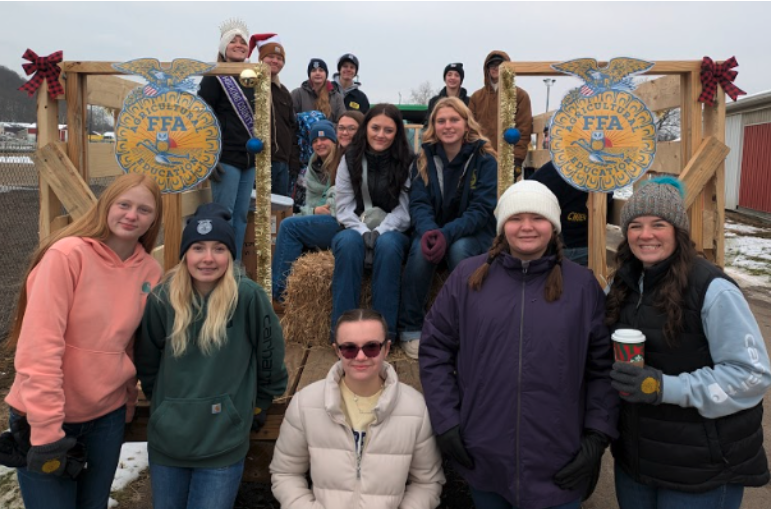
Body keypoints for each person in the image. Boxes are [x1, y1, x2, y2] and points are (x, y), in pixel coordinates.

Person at [420, 180, 619, 509]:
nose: (526, 227)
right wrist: (447, 421)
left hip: (558, 462)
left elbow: (602, 368)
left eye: (538, 218)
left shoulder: (582, 286)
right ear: (501, 227)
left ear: (553, 226)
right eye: (515, 218)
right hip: (484, 456)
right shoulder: (468, 278)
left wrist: (597, 436)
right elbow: (434, 350)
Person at [605, 177, 771, 509]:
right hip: (637, 460)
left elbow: (751, 376)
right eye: (635, 225)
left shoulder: (712, 289)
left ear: (677, 230)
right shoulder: (623, 285)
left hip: (702, 468)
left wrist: (663, 387)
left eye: (658, 224)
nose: (645, 234)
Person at [3, 173, 163, 509]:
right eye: (124, 204)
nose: (132, 215)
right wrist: (47, 432)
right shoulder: (67, 255)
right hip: (48, 416)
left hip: (106, 416)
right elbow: (39, 348)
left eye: (144, 210)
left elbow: (130, 342)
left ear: (153, 219)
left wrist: (128, 401)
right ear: (106, 205)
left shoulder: (149, 271)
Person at [136, 203, 288, 509]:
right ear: (185, 255)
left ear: (230, 255)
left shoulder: (247, 296)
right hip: (169, 441)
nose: (208, 258)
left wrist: (257, 404)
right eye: (198, 248)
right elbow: (147, 360)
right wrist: (164, 405)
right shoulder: (162, 299)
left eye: (219, 248)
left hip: (223, 440)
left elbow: (270, 356)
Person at [270, 308, 445, 509]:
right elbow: (286, 473)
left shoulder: (414, 408)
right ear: (337, 351)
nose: (360, 357)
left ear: (386, 349)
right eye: (349, 348)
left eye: (371, 347)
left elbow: (428, 482)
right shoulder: (305, 403)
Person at [398, 97, 497, 360]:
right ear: (433, 126)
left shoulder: (484, 159)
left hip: (473, 231)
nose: (448, 125)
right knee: (420, 251)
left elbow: (481, 209)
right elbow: (418, 203)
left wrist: (446, 233)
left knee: (459, 249)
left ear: (466, 124)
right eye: (441, 121)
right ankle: (410, 328)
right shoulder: (423, 158)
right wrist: (430, 232)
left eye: (454, 120)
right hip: (433, 228)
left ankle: (469, 327)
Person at [331, 104, 413, 342]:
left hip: (394, 228)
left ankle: (384, 335)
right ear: (366, 128)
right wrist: (362, 231)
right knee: (347, 244)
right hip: (355, 224)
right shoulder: (350, 158)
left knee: (388, 246)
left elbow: (405, 209)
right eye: (375, 127)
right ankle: (341, 332)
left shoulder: (407, 161)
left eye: (388, 130)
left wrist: (379, 232)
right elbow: (343, 206)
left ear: (397, 133)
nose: (380, 135)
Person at [198, 18, 254, 260]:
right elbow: (202, 117)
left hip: (249, 159)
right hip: (225, 157)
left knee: (241, 216)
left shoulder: (252, 77)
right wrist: (208, 156)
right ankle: (219, 267)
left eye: (243, 41)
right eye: (233, 40)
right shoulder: (213, 76)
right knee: (224, 215)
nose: (239, 45)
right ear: (223, 47)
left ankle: (235, 266)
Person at [272, 120, 343, 301]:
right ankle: (292, 291)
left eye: (325, 139)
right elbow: (309, 207)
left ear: (334, 141)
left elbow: (336, 205)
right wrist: (314, 211)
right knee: (293, 222)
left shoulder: (342, 163)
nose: (319, 143)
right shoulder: (312, 168)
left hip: (341, 221)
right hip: (324, 217)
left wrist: (315, 211)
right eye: (315, 141)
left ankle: (280, 291)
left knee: (289, 227)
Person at [529, 161, 613, 266]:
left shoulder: (555, 168)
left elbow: (528, 189)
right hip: (584, 244)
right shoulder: (608, 172)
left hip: (565, 243)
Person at [248, 33, 300, 197]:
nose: (275, 61)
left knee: (277, 213)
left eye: (279, 58)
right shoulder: (250, 85)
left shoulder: (284, 92)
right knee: (255, 211)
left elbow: (291, 128)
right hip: (257, 160)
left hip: (282, 163)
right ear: (261, 58)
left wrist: (292, 160)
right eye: (270, 56)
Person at [468, 50, 533, 177]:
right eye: (492, 65)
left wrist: (517, 160)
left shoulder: (520, 96)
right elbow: (470, 129)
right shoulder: (476, 97)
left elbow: (524, 129)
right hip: (481, 159)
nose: (495, 68)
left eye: (500, 64)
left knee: (505, 196)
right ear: (486, 69)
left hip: (508, 159)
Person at [292, 58, 346, 124]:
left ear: (326, 74)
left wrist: (327, 127)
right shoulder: (297, 94)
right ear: (309, 74)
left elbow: (342, 122)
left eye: (321, 70)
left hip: (329, 133)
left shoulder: (336, 97)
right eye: (314, 70)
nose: (317, 73)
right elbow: (290, 118)